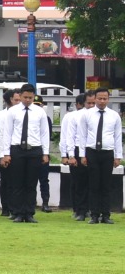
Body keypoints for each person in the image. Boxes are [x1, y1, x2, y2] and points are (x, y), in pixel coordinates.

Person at [0, 83, 46, 223]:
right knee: (17, 183)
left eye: (30, 97)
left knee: (31, 183)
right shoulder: (13, 111)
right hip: (17, 149)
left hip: (34, 149)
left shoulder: (39, 111)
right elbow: (7, 133)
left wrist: (45, 152)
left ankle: (29, 213)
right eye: (25, 97)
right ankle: (17, 212)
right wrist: (6, 153)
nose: (28, 100)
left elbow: (44, 133)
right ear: (21, 96)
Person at [79, 87, 121, 224]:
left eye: (105, 99)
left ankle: (106, 215)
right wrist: (82, 155)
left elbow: (117, 137)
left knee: (106, 185)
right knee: (94, 184)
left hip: (107, 152)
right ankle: (94, 215)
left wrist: (118, 156)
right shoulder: (87, 114)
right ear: (95, 99)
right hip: (92, 152)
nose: (102, 101)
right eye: (99, 98)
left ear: (108, 99)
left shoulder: (114, 115)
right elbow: (82, 135)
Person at [57, 91, 87, 220]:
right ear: (79, 104)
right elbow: (65, 136)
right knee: (77, 182)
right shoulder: (71, 117)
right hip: (74, 150)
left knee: (89, 182)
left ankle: (87, 208)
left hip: (88, 150)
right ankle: (77, 208)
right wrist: (65, 155)